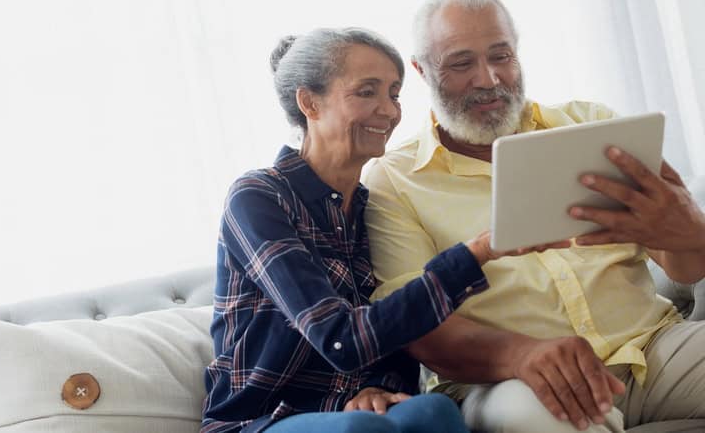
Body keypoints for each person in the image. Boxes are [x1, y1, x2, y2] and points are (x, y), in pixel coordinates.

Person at [363, 0, 705, 433]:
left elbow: (684, 268)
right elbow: (412, 323)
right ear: (422, 71)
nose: (488, 79)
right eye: (462, 63)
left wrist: (690, 233)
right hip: (507, 381)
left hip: (654, 346)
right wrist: (519, 354)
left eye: (501, 55)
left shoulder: (592, 123)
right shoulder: (393, 180)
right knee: (535, 415)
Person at [200, 27, 564, 433]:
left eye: (393, 94)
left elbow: (394, 320)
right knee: (363, 431)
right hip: (263, 417)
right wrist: (476, 253)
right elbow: (339, 337)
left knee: (435, 412)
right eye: (367, 92)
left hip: (347, 410)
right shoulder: (259, 198)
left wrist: (379, 385)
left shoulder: (374, 205)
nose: (390, 112)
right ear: (310, 103)